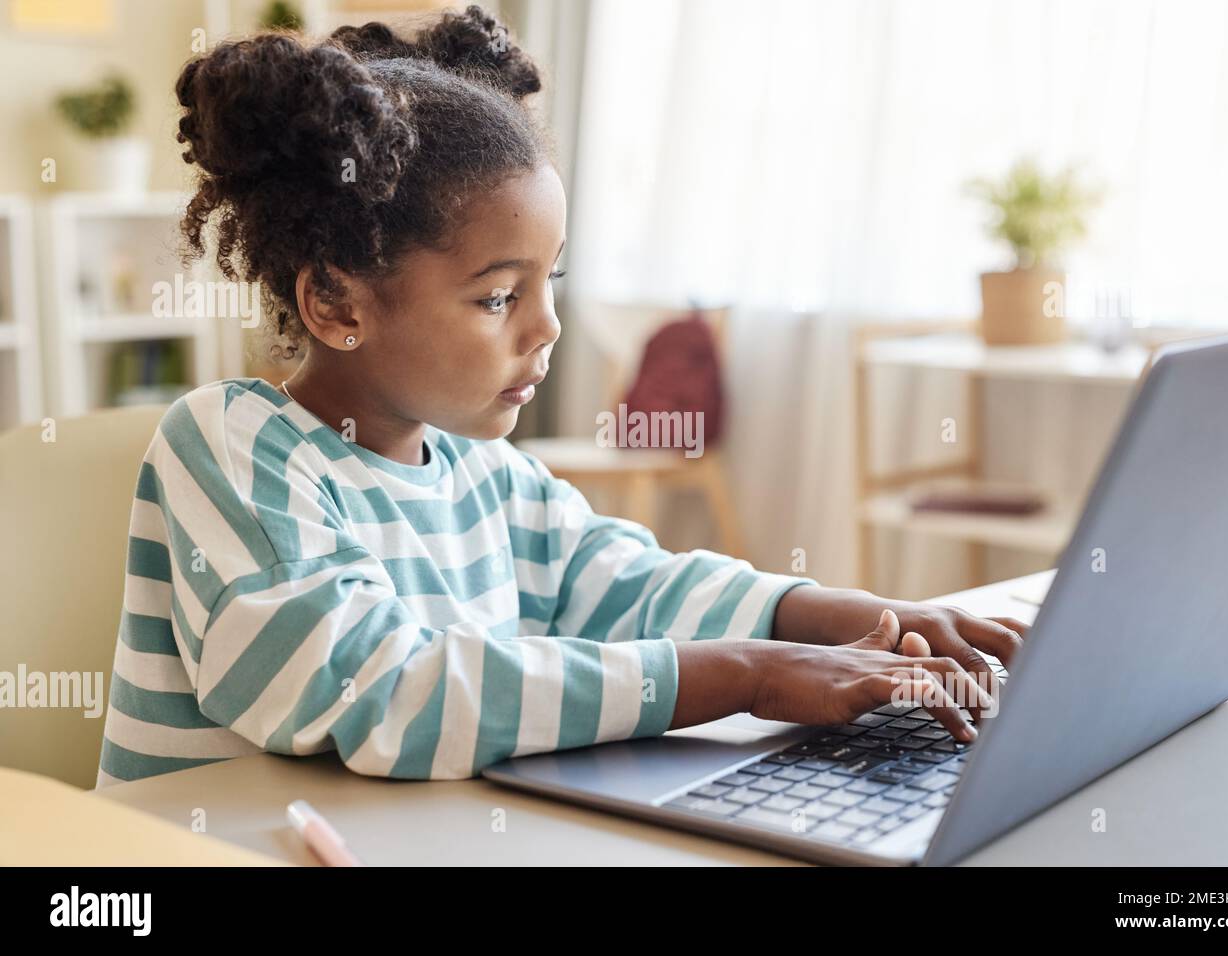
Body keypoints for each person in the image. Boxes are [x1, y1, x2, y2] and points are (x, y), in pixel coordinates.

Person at [97, 6, 1022, 787]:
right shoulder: (228, 446)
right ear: (337, 300)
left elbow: (629, 583)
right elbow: (382, 690)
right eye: (498, 295)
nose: (547, 328)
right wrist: (751, 675)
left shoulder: (485, 473)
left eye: (552, 283)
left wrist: (838, 617)